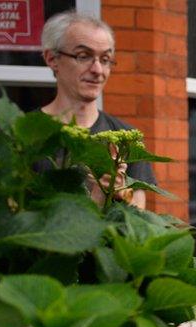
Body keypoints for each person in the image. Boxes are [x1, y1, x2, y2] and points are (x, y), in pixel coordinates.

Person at [39, 11, 153, 208]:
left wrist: (121, 193)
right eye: (84, 56)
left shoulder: (126, 140)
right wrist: (98, 196)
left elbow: (142, 225)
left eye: (106, 59)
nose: (98, 70)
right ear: (52, 59)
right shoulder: (22, 135)